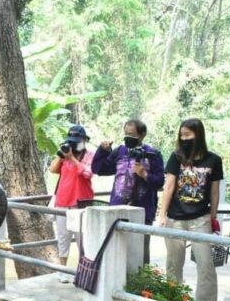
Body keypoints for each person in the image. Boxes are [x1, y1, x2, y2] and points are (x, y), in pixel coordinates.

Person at [157, 118, 225, 301]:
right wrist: (162, 214)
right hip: (175, 218)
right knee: (174, 262)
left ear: (199, 135)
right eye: (182, 135)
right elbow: (169, 186)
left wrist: (213, 216)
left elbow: (214, 191)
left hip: (200, 218)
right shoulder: (176, 157)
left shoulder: (213, 160)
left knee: (206, 262)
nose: (184, 138)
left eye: (188, 135)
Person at [92, 119, 164, 263]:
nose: (127, 137)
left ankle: (141, 283)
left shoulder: (153, 154)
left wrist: (144, 174)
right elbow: (98, 169)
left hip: (143, 210)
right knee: (115, 249)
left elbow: (160, 182)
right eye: (125, 133)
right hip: (117, 209)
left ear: (142, 135)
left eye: (131, 134)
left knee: (141, 252)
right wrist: (102, 151)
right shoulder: (119, 151)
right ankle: (116, 282)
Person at [49, 124, 95, 282]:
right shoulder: (64, 155)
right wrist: (61, 155)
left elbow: (88, 174)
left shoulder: (89, 155)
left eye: (77, 141)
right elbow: (53, 170)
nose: (74, 144)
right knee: (63, 237)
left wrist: (73, 159)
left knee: (82, 239)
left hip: (81, 202)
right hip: (63, 201)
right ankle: (62, 271)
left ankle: (84, 272)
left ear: (84, 141)